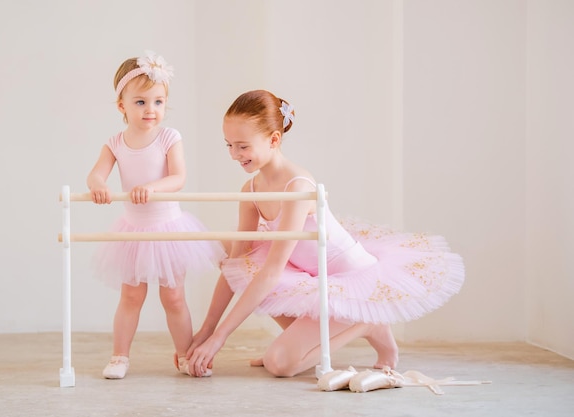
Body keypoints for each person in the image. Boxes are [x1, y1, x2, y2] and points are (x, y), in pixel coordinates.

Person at [185, 90, 465, 378]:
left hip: (355, 280)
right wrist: (207, 330)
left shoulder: (297, 187)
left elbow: (271, 272)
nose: (234, 155)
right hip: (316, 278)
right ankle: (304, 340)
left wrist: (220, 338)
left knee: (280, 364)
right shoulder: (251, 191)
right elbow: (236, 264)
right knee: (236, 255)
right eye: (229, 145)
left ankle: (367, 322)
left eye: (242, 146)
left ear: (273, 140)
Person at [87, 51, 225, 379]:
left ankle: (184, 354)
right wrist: (98, 186)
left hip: (167, 229)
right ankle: (120, 356)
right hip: (134, 230)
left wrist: (153, 187)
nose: (151, 110)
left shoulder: (168, 137)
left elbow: (178, 178)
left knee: (174, 296)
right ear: (122, 106)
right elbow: (95, 175)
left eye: (158, 102)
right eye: (140, 102)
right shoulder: (115, 143)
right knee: (131, 296)